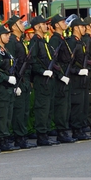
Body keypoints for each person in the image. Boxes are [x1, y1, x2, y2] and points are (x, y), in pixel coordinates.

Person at [5, 15, 38, 149]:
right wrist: (14, 83)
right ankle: (19, 137)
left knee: (24, 110)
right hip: (17, 81)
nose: (23, 24)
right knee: (18, 111)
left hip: (24, 80)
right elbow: (11, 63)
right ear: (13, 27)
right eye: (20, 22)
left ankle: (22, 136)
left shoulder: (21, 40)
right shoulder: (12, 42)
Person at [29, 16, 60, 146]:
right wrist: (42, 71)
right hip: (41, 80)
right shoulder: (35, 42)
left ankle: (46, 132)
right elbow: (32, 61)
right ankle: (41, 135)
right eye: (43, 24)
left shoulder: (44, 42)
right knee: (42, 107)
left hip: (48, 79)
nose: (46, 26)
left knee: (48, 107)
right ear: (36, 27)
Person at [46, 15, 76, 144]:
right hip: (60, 77)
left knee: (66, 105)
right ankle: (61, 131)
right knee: (61, 106)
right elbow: (53, 61)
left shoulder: (62, 39)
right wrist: (60, 76)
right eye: (62, 22)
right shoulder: (54, 40)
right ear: (56, 25)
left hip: (66, 73)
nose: (65, 24)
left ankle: (64, 130)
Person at [0, 26, 19, 151]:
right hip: (1, 88)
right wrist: (6, 79)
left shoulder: (5, 51)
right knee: (1, 114)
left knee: (8, 114)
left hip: (8, 88)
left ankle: (6, 137)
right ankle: (2, 139)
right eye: (5, 34)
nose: (8, 36)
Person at [66, 17, 91, 141]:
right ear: (75, 28)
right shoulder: (72, 42)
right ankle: (76, 130)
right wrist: (78, 71)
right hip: (76, 79)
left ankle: (81, 127)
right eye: (82, 27)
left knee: (83, 104)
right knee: (77, 105)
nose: (84, 28)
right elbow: (68, 63)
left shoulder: (81, 42)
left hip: (83, 79)